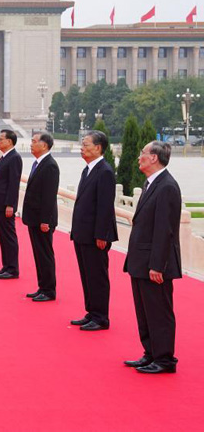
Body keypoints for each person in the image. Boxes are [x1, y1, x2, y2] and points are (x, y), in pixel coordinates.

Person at [123, 141, 182, 374]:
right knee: (144, 311)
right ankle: (150, 353)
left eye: (143, 153)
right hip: (141, 261)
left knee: (159, 311)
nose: (139, 157)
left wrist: (157, 265)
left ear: (155, 157)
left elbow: (165, 230)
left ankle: (165, 359)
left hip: (155, 264)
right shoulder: (151, 184)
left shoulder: (167, 186)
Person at [69, 131, 118, 331]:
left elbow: (105, 207)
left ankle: (101, 317)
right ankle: (91, 312)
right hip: (83, 232)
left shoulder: (105, 171)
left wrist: (101, 235)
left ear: (98, 148)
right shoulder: (88, 170)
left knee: (97, 275)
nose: (82, 147)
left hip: (95, 235)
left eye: (86, 144)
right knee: (87, 274)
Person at [21, 131, 60, 302]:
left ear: (44, 145)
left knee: (45, 254)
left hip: (43, 220)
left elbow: (49, 196)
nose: (31, 144)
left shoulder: (50, 165)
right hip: (34, 218)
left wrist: (45, 220)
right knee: (38, 254)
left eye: (34, 141)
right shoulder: (38, 163)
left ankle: (49, 290)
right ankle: (42, 287)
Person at [0, 129, 23, 279]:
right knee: (2, 235)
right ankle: (6, 265)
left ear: (9, 141)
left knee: (8, 235)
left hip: (5, 204)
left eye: (1, 139)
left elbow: (13, 183)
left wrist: (10, 204)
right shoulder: (4, 157)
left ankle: (13, 268)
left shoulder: (14, 158)